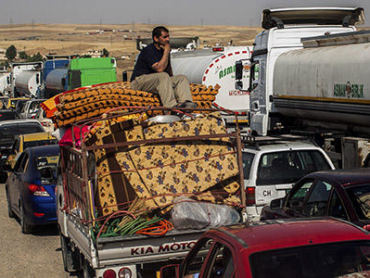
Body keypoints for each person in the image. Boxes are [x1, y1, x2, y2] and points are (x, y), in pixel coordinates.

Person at [130, 26, 197, 109]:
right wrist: (166, 51)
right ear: (156, 38)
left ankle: (186, 103)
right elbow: (159, 69)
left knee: (181, 78)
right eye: (165, 37)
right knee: (163, 75)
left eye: (168, 37)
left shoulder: (164, 51)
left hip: (157, 80)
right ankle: (171, 107)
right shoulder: (148, 50)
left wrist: (171, 84)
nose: (168, 39)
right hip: (140, 81)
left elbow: (168, 70)